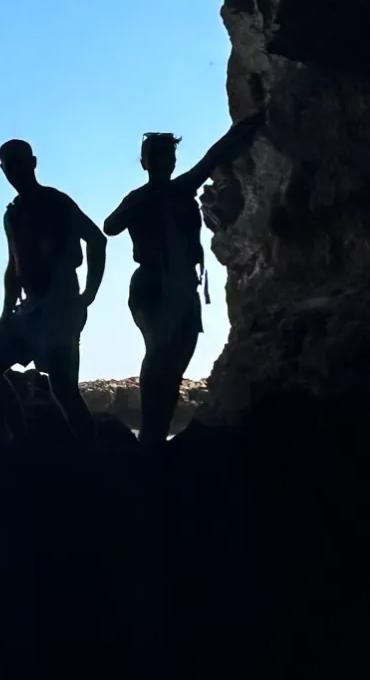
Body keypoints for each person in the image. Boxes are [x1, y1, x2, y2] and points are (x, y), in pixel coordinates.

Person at [104, 111, 263, 444]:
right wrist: (146, 200)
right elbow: (111, 226)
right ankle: (149, 437)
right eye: (161, 159)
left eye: (172, 158)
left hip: (184, 288)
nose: (169, 165)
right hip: (153, 285)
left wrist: (246, 126)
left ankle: (157, 437)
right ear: (147, 163)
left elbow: (214, 156)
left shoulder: (182, 188)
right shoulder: (141, 197)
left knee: (175, 365)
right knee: (159, 354)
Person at [0, 140, 105, 444]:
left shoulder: (56, 202)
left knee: (63, 388)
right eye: (8, 164)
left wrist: (88, 296)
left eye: (19, 162)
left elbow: (97, 240)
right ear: (2, 170)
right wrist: (6, 312)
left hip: (60, 306)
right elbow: (13, 265)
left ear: (33, 162)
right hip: (29, 308)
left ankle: (95, 460)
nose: (14, 170)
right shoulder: (13, 214)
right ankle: (22, 442)